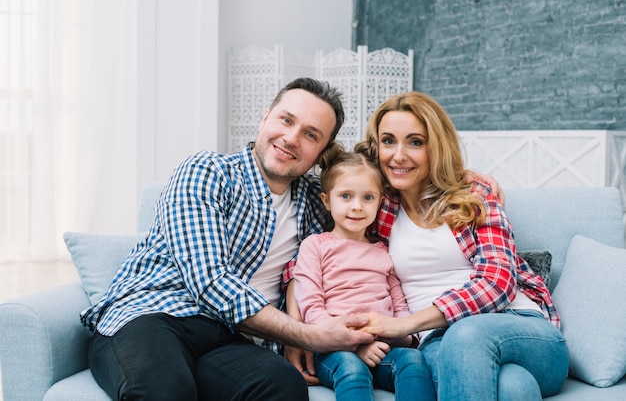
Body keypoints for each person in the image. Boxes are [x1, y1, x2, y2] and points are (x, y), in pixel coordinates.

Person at [79, 77, 376, 401]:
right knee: (164, 390)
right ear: (266, 118)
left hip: (230, 339)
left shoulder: (315, 202)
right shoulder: (208, 171)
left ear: (322, 151)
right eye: (286, 120)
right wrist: (307, 335)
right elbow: (209, 280)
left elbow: (353, 238)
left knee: (283, 385)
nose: (291, 138)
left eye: (310, 134)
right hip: (153, 315)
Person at [355, 91, 569, 400]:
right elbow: (330, 232)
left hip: (521, 327)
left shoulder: (473, 194)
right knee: (514, 388)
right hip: (436, 342)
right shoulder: (377, 206)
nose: (398, 155)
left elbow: (498, 283)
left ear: (436, 147)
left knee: (465, 334)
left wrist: (403, 325)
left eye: (415, 142)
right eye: (388, 141)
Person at [292, 149, 436, 401]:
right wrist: (354, 344)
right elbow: (311, 307)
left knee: (413, 360)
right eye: (346, 196)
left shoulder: (383, 251)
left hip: (382, 348)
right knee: (351, 368)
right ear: (327, 201)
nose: (357, 207)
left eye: (367, 197)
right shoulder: (315, 245)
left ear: (380, 201)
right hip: (332, 350)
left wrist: (404, 335)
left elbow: (399, 304)